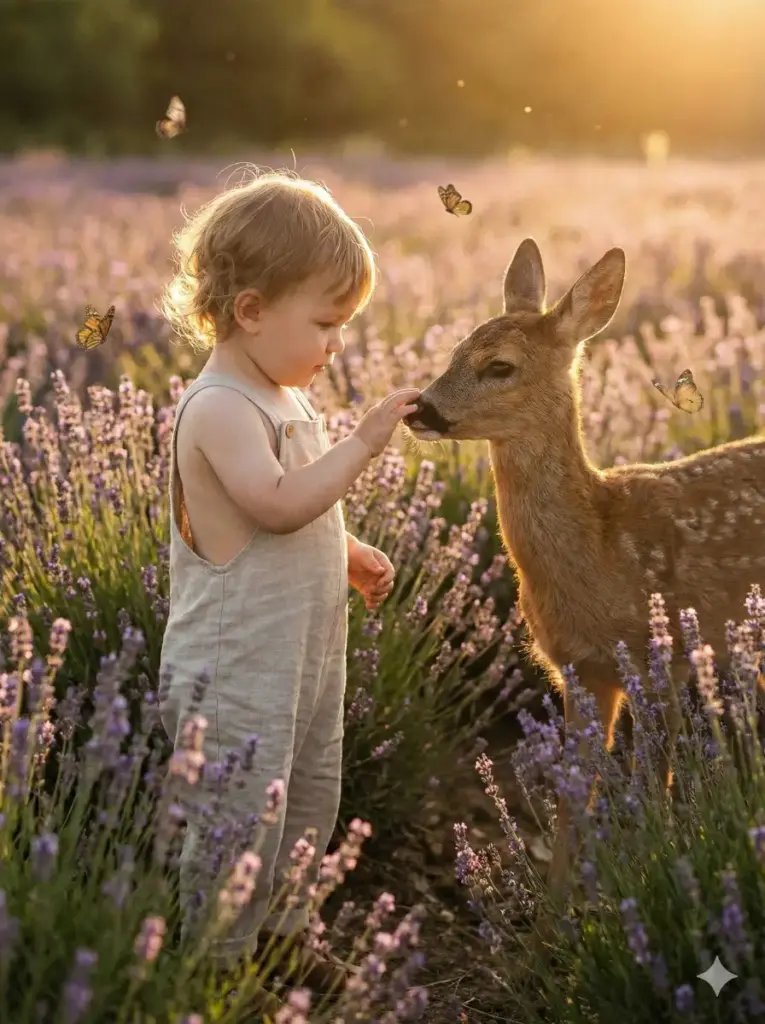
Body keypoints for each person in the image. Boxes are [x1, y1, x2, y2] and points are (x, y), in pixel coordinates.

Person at [158, 170, 420, 999]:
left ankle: (281, 934)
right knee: (235, 814)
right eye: (326, 324)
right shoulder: (221, 408)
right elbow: (271, 507)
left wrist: (343, 550)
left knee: (307, 794)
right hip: (233, 668)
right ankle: (215, 961)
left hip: (301, 658)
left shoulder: (282, 397)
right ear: (251, 310)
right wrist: (365, 443)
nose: (335, 346)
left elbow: (295, 513)